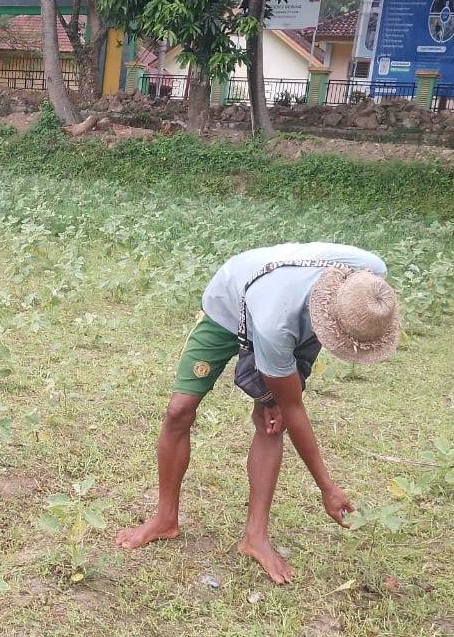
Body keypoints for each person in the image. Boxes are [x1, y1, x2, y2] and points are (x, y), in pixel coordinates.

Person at [115, 242, 401, 584]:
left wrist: (276, 399)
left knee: (271, 422)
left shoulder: (370, 277)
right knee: (179, 410)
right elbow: (295, 408)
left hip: (295, 320)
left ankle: (255, 536)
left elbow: (286, 409)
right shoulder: (273, 323)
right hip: (231, 304)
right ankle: (165, 518)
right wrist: (326, 486)